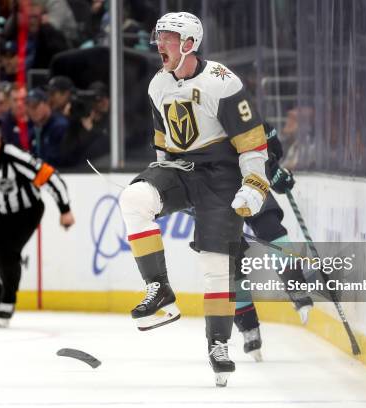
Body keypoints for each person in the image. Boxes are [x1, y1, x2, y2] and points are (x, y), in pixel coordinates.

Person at [118, 12, 269, 387]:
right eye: (159, 38)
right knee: (135, 198)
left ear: (188, 44)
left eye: (166, 38)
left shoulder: (223, 82)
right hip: (182, 170)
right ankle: (160, 290)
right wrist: (163, 189)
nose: (159, 45)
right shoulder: (158, 85)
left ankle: (218, 344)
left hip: (222, 177)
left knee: (217, 266)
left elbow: (252, 141)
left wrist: (253, 186)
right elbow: (162, 143)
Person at [0, 112, 74, 327]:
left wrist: (65, 209)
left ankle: (7, 302)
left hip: (26, 212)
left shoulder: (14, 157)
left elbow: (50, 177)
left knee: (7, 252)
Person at [232, 123, 314, 362]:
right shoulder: (198, 113)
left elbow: (268, 155)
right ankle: (249, 327)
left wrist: (274, 172)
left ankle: (297, 290)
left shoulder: (247, 115)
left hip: (250, 184)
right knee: (229, 260)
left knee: (271, 229)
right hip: (216, 193)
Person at [26, 88, 69, 165]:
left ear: (46, 104)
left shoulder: (59, 126)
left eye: (35, 106)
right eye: (28, 106)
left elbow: (59, 160)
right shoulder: (32, 128)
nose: (32, 110)